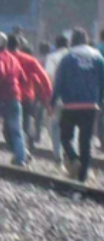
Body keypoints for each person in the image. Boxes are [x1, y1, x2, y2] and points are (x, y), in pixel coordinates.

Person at [52, 28, 104, 182]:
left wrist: (53, 101)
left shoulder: (68, 57)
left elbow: (59, 81)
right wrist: (100, 101)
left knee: (65, 137)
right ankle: (82, 176)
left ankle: (74, 159)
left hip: (71, 105)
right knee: (86, 141)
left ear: (73, 41)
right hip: (91, 106)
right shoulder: (98, 57)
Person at [0, 31, 27, 165]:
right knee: (16, 130)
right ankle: (21, 157)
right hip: (14, 96)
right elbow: (23, 78)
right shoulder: (13, 58)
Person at [8, 34, 52, 152]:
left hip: (8, 97)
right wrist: (47, 95)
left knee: (9, 127)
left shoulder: (3, 58)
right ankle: (27, 145)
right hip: (27, 97)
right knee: (26, 122)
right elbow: (43, 77)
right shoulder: (30, 60)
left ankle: (20, 150)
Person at [45, 33, 70, 163]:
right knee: (72, 126)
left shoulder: (52, 57)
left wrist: (49, 99)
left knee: (55, 126)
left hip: (57, 97)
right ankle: (70, 153)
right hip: (73, 98)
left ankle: (57, 155)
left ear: (56, 45)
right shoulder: (73, 56)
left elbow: (49, 78)